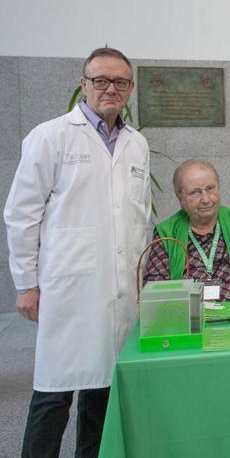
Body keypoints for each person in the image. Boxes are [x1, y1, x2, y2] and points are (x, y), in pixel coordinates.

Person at [4, 47, 151, 458]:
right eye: (100, 80)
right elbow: (21, 214)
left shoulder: (137, 145)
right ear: (83, 85)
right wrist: (25, 284)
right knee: (53, 393)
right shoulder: (50, 136)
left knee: (102, 391)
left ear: (130, 89)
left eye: (120, 82)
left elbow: (137, 218)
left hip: (121, 289)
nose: (110, 88)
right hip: (67, 287)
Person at [144, 159, 230, 299]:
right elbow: (155, 284)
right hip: (190, 314)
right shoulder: (166, 232)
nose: (206, 199)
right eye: (195, 192)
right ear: (179, 197)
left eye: (210, 188)